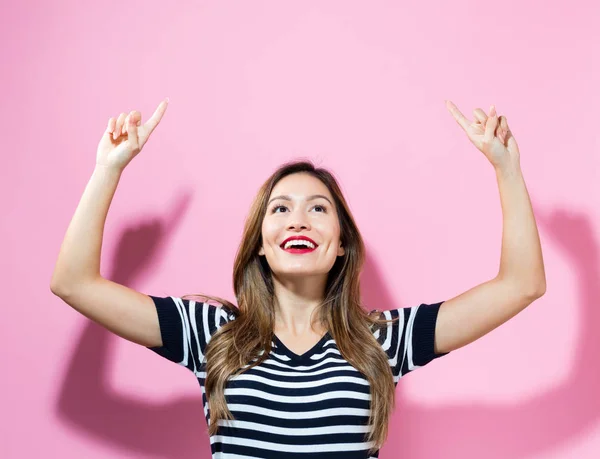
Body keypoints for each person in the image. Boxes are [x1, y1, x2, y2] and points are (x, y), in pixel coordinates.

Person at [50, 98, 546, 458]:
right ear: (261, 245)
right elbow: (73, 282)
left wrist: (506, 169)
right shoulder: (212, 335)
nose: (298, 220)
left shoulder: (380, 343)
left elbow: (521, 283)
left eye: (318, 208)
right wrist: (107, 170)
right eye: (281, 209)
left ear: (342, 244)